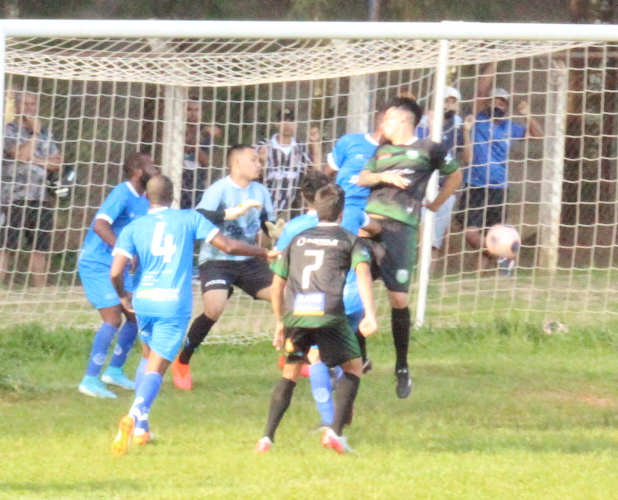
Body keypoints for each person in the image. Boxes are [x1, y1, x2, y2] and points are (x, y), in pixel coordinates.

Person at [106, 174, 263, 453]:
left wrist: (123, 295)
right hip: (172, 303)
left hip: (144, 300)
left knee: (147, 356)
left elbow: (116, 271)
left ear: (146, 199)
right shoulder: (189, 219)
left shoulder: (134, 227)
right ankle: (134, 414)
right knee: (157, 368)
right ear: (173, 196)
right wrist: (264, 253)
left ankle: (142, 428)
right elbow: (228, 246)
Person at [258, 184, 379, 455]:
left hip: (297, 315)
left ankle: (267, 438)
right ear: (341, 211)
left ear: (315, 208)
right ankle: (335, 432)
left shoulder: (297, 240)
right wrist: (370, 314)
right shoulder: (350, 239)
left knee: (289, 373)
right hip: (329, 315)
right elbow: (363, 274)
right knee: (353, 367)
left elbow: (277, 286)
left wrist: (280, 322)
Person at [357, 97, 462, 397]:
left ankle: (402, 366)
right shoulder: (382, 150)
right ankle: (361, 357)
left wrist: (437, 204)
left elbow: (455, 174)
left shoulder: (429, 149)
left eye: (387, 118)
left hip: (401, 230)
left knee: (398, 300)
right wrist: (382, 176)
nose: (382, 124)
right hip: (371, 226)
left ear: (404, 120)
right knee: (353, 286)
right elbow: (363, 178)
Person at [171, 145, 275, 389]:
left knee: (285, 297)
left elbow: (268, 225)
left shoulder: (261, 191)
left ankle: (294, 356)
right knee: (214, 309)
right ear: (237, 164)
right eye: (254, 160)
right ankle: (182, 361)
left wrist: (275, 233)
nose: (259, 164)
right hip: (217, 260)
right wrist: (230, 213)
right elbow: (199, 218)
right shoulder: (218, 190)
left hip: (249, 259)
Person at [76, 151, 156, 398]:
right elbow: (100, 225)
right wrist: (125, 252)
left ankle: (114, 371)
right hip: (96, 262)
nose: (156, 169)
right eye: (151, 166)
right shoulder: (122, 193)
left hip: (118, 264)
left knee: (134, 317)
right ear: (138, 173)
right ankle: (89, 379)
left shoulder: (144, 200)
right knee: (112, 318)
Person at [457, 86, 542, 272]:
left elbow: (537, 134)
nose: (498, 104)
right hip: (475, 185)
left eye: (502, 102)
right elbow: (481, 88)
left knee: (491, 233)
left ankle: (478, 277)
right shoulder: (478, 120)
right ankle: (504, 255)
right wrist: (494, 62)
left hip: (499, 188)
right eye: (495, 100)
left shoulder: (509, 127)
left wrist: (527, 114)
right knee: (470, 233)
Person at [0, 91, 62, 288]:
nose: (29, 108)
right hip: (13, 197)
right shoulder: (9, 130)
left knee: (39, 247)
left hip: (40, 197)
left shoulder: (46, 132)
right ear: (17, 107)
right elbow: (19, 154)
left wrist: (35, 159)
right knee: (5, 246)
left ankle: (40, 290)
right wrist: (34, 134)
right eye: (25, 104)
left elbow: (57, 162)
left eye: (33, 104)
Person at [420, 88, 462, 254]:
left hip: (445, 187)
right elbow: (425, 150)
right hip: (423, 184)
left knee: (435, 239)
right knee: (420, 232)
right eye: (447, 101)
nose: (450, 105)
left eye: (453, 102)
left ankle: (429, 275)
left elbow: (468, 156)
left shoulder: (458, 126)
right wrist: (431, 127)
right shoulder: (422, 123)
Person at [327, 120, 381, 235]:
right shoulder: (350, 141)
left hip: (374, 212)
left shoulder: (397, 152)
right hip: (344, 209)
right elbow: (327, 172)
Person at [259, 111, 315, 219]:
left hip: (291, 209)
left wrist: (316, 145)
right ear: (276, 124)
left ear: (296, 124)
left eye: (291, 121)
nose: (287, 124)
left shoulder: (301, 148)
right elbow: (257, 175)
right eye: (283, 121)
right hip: (265, 206)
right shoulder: (264, 146)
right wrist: (262, 161)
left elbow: (314, 173)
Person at [180, 99, 222, 207]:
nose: (193, 113)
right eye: (189, 109)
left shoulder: (206, 133)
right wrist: (200, 135)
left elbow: (206, 161)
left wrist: (195, 145)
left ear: (201, 113)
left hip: (197, 182)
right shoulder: (176, 130)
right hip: (179, 180)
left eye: (196, 110)